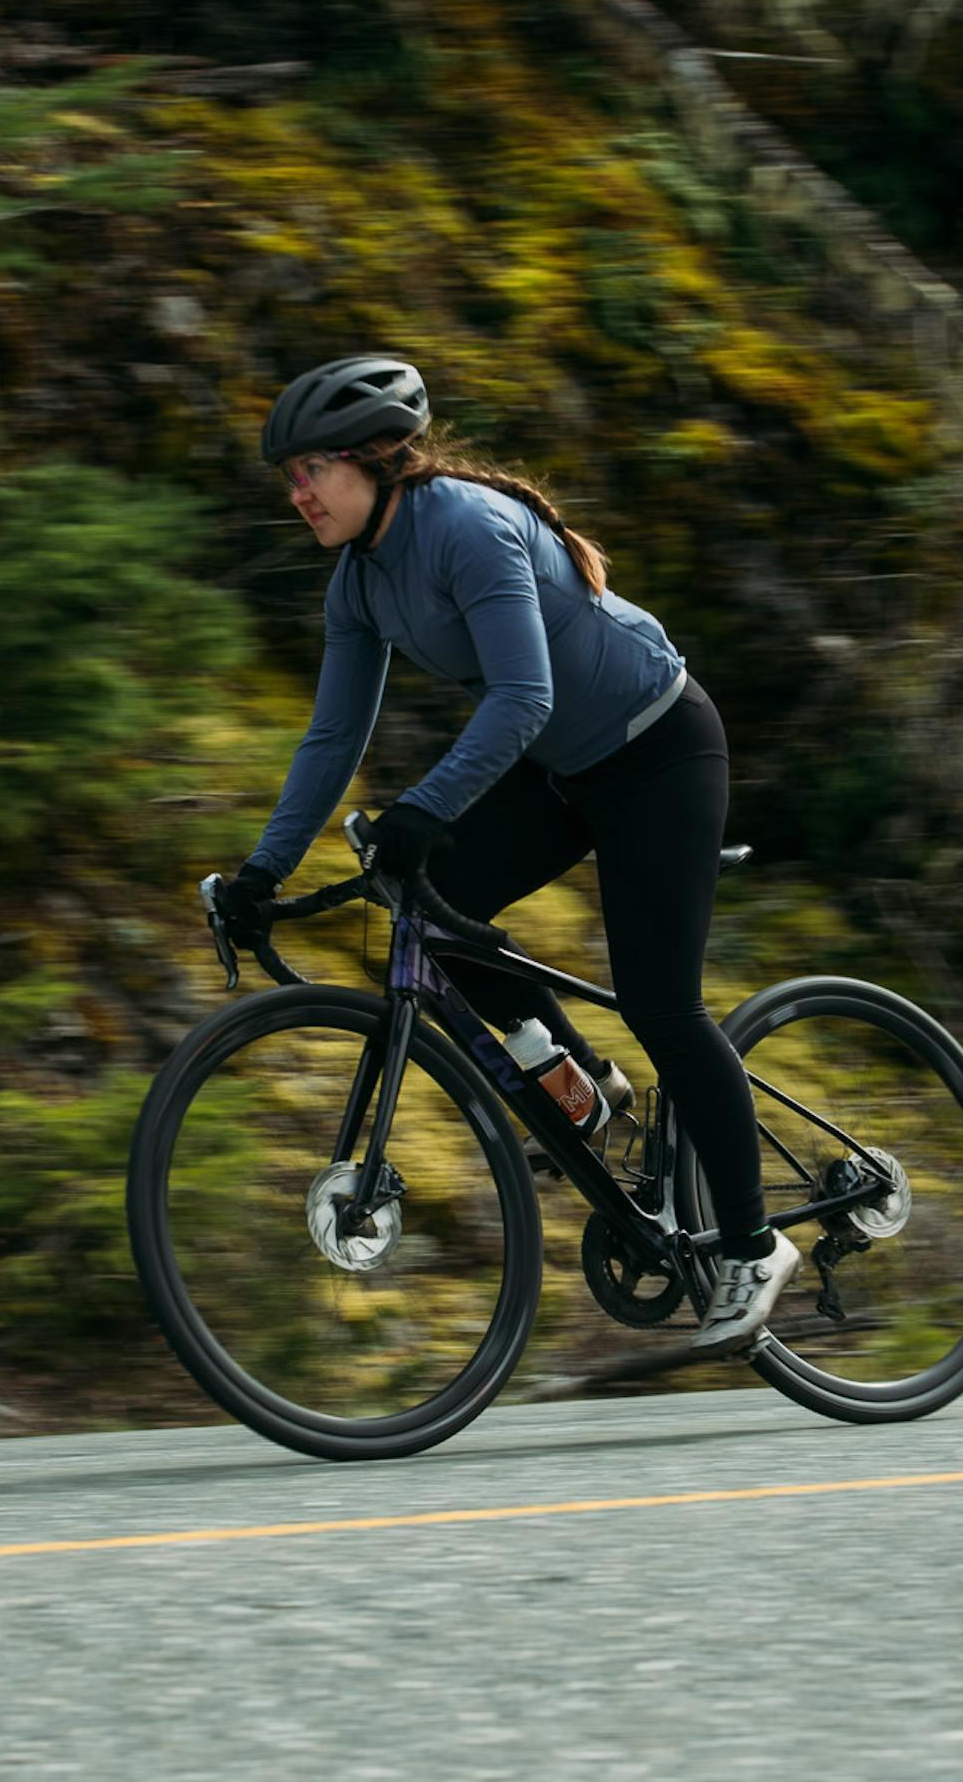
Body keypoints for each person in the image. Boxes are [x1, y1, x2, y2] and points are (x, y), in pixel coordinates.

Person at [213, 355, 800, 1353]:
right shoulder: (357, 581)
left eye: (312, 468)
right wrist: (262, 874)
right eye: (290, 478)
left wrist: (429, 805)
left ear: (374, 458)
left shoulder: (465, 527)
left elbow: (522, 695)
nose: (298, 492)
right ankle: (580, 1084)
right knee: (430, 915)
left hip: (658, 749)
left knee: (662, 1002)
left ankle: (752, 1244)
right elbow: (330, 741)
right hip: (563, 770)